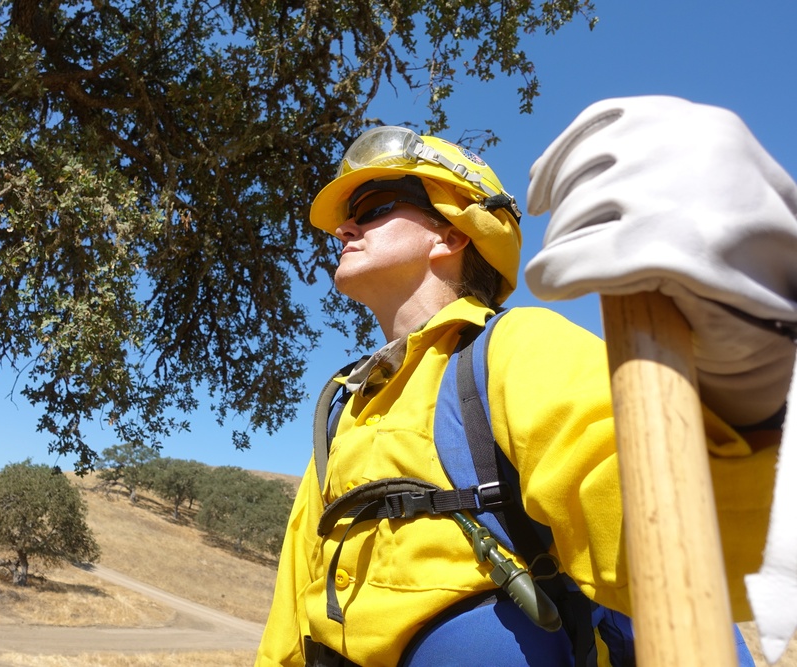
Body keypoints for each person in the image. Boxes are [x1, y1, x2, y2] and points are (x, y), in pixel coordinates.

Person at [255, 108, 791, 666]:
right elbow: (290, 620)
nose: (344, 228)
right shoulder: (343, 407)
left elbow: (664, 527)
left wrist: (750, 399)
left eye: (373, 208)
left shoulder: (515, 348)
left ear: (451, 233)